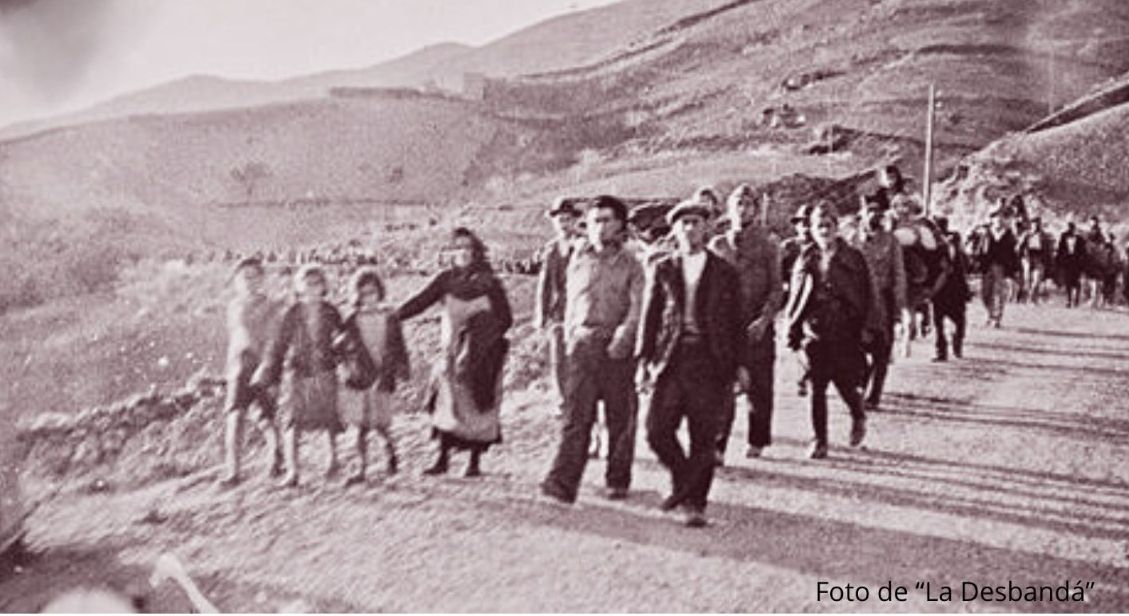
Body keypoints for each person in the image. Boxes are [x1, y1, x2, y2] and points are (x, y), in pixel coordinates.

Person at [638, 200, 742, 527]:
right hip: (671, 358)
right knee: (656, 431)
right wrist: (643, 361)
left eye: (696, 222)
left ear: (707, 227)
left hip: (711, 361)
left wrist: (740, 366)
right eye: (683, 223)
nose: (690, 228)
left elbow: (737, 321)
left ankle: (695, 504)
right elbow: (650, 317)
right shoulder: (663, 268)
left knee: (703, 435)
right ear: (674, 229)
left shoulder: (725, 272)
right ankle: (685, 481)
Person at [541, 195, 645, 504]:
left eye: (606, 220)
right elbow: (572, 301)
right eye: (594, 221)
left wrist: (623, 338)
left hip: (616, 350)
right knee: (577, 418)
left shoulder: (632, 265)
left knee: (619, 418)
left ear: (620, 225)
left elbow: (638, 307)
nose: (599, 228)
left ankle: (618, 479)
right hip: (583, 348)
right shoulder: (578, 258)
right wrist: (572, 333)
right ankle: (563, 482)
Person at [397, 228, 513, 477]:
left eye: (467, 248)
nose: (462, 253)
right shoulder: (445, 280)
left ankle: (474, 463)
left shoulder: (490, 283)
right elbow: (421, 301)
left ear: (476, 251)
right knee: (447, 406)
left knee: (478, 407)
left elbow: (506, 319)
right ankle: (442, 459)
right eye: (457, 248)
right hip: (450, 353)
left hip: (481, 356)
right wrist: (395, 316)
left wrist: (481, 334)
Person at [785, 204, 876, 459]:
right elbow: (795, 295)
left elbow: (868, 294)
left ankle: (857, 414)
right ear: (811, 229)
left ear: (837, 228)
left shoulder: (854, 257)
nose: (824, 231)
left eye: (829, 225)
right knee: (817, 385)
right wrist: (791, 328)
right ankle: (819, 440)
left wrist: (869, 328)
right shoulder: (806, 257)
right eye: (819, 226)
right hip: (814, 328)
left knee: (845, 383)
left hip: (845, 327)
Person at [253, 264, 351, 487]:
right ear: (298, 287)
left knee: (329, 419)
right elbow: (279, 345)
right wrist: (271, 374)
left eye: (317, 282)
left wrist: (343, 356)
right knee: (292, 422)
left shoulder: (330, 311)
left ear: (323, 286)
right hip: (298, 373)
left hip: (325, 371)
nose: (312, 287)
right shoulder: (292, 313)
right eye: (307, 283)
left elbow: (344, 339)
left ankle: (333, 463)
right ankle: (293, 471)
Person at [708, 185, 781, 460]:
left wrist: (764, 319)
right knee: (722, 388)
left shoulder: (768, 245)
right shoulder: (718, 245)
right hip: (726, 329)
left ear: (755, 209)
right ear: (729, 209)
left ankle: (757, 439)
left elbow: (776, 288)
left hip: (757, 326)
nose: (743, 210)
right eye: (738, 204)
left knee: (760, 387)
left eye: (748, 204)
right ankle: (717, 445)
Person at [339, 268, 410, 485]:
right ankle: (361, 468)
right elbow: (342, 346)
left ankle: (390, 452)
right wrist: (345, 366)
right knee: (360, 426)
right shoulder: (352, 319)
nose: (368, 297)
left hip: (384, 374)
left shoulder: (390, 317)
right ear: (356, 295)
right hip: (361, 376)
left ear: (379, 292)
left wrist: (403, 368)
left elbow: (399, 345)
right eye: (363, 293)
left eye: (372, 292)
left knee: (380, 423)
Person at [218, 258, 283, 487]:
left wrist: (267, 366)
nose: (249, 282)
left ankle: (276, 455)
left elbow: (274, 340)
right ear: (236, 281)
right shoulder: (233, 307)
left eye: (254, 276)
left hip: (262, 366)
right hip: (238, 367)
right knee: (234, 416)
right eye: (244, 277)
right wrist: (229, 369)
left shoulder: (271, 307)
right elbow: (235, 338)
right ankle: (232, 471)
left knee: (264, 416)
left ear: (262, 279)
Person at [852, 192, 909, 411]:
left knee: (881, 351)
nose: (873, 215)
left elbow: (898, 273)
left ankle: (874, 395)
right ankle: (860, 384)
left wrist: (898, 305)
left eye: (877, 210)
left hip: (883, 301)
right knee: (855, 348)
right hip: (858, 300)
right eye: (869, 210)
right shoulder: (852, 240)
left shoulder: (891, 240)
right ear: (861, 215)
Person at [534, 197, 581, 417]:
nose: (564, 224)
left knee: (581, 359)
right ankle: (563, 402)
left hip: (582, 312)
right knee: (559, 359)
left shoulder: (585, 245)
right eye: (560, 220)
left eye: (568, 219)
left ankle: (581, 399)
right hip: (559, 313)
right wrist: (541, 314)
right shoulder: (551, 250)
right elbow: (544, 285)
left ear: (574, 221)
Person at [932, 223, 971, 361]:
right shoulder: (937, 246)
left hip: (950, 290)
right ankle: (945, 349)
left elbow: (965, 266)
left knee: (945, 322)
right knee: (942, 322)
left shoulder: (946, 245)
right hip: (947, 290)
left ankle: (948, 347)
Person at [978, 205, 1020, 327]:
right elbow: (980, 249)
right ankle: (990, 313)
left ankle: (997, 317)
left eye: (1001, 217)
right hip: (987, 266)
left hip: (1002, 267)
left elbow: (1013, 254)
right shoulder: (986, 233)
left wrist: (1013, 271)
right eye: (996, 217)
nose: (999, 220)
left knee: (999, 293)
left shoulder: (1009, 235)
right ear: (992, 219)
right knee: (985, 293)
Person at [1018, 217, 1053, 304]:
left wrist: (1048, 261)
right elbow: (1019, 247)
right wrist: (1021, 257)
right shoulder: (1027, 235)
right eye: (1033, 224)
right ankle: (1027, 297)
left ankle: (1032, 297)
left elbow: (1048, 250)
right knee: (1027, 279)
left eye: (1037, 224)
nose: (1035, 226)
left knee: (1036, 279)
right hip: (1027, 258)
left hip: (1039, 258)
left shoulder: (1044, 236)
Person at [1057, 223, 1087, 308]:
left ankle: (1077, 298)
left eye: (1072, 229)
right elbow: (1060, 249)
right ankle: (1069, 300)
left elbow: (1083, 252)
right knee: (1068, 281)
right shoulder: (1064, 236)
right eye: (1069, 228)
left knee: (1076, 281)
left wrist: (1082, 264)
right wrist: (1059, 262)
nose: (1070, 230)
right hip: (1067, 262)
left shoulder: (1080, 239)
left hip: (1077, 263)